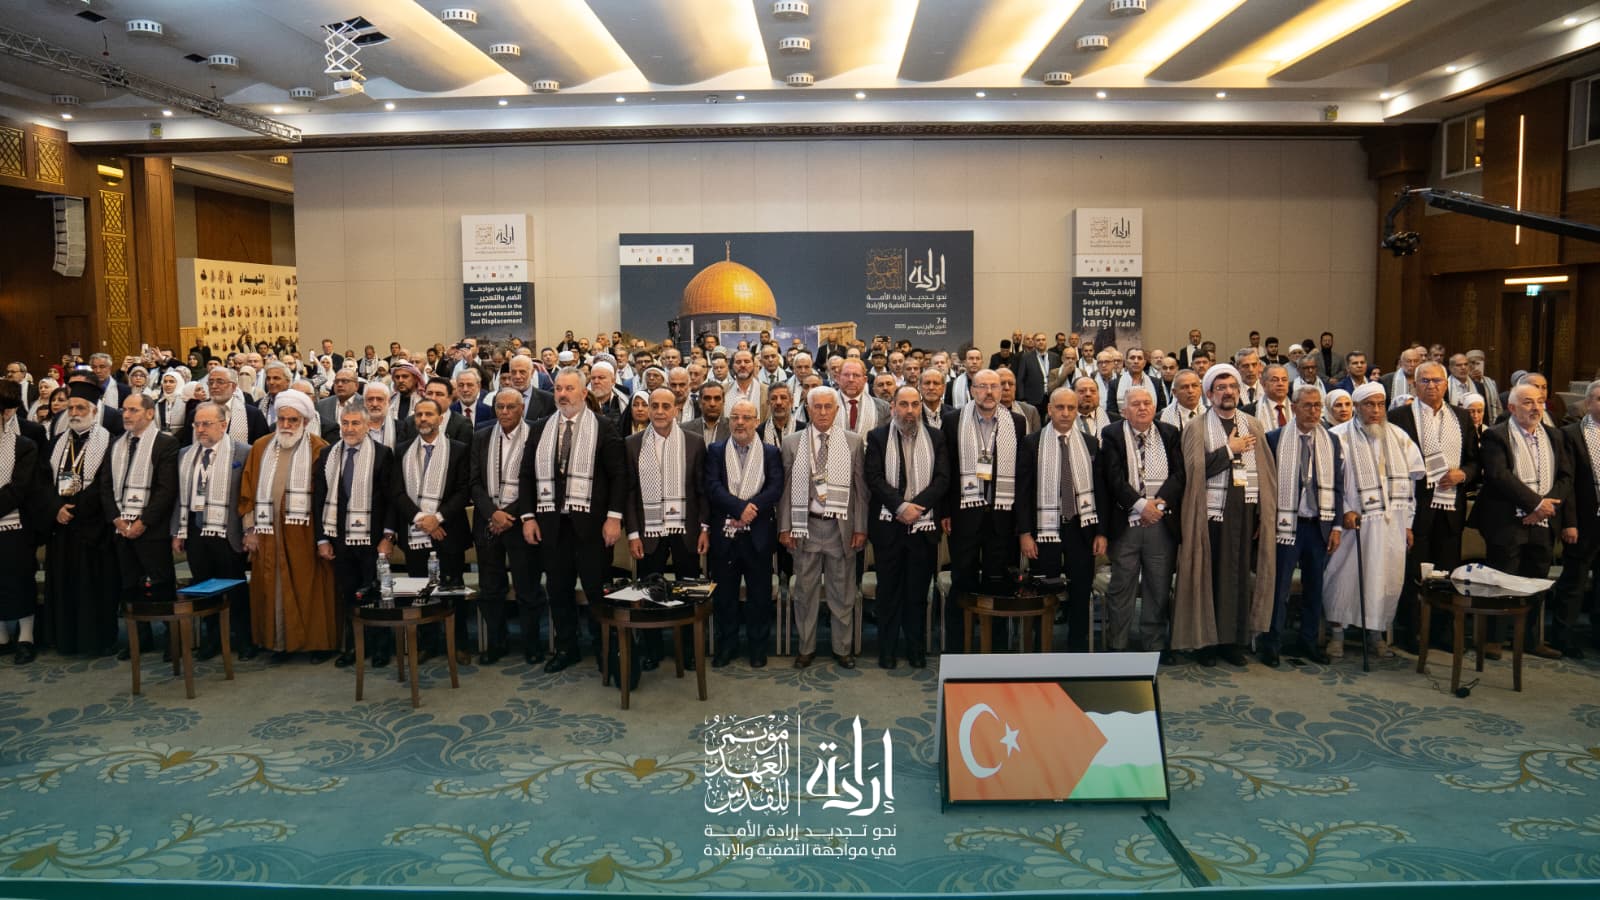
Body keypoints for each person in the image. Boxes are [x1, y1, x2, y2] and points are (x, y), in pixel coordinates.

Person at [518, 367, 626, 674]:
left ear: (583, 392)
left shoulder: (604, 426)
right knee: (558, 590)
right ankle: (567, 647)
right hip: (552, 525)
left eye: (569, 389)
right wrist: (528, 517)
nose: (562, 395)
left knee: (596, 591)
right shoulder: (541, 427)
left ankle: (605, 649)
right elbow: (526, 474)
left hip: (592, 526)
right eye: (558, 389)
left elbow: (619, 476)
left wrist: (614, 518)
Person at [1175, 364, 1278, 667]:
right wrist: (1229, 450)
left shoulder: (1253, 425)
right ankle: (1206, 644)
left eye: (1232, 387)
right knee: (1209, 578)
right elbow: (1193, 472)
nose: (1228, 392)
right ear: (1209, 394)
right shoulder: (1196, 427)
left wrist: (1260, 515)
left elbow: (1264, 473)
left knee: (1238, 578)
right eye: (1220, 388)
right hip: (1209, 516)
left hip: (1244, 513)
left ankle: (1233, 642)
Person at [1471, 382, 1569, 660]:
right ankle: (1494, 639)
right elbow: (1499, 475)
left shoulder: (1555, 435)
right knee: (1503, 581)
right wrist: (1535, 504)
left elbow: (1566, 476)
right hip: (1507, 522)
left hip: (1544, 522)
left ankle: (1529, 639)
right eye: (1528, 402)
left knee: (1535, 582)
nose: (1536, 407)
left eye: (1539, 401)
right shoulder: (1496, 435)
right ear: (1512, 407)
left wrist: (1545, 507)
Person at [239, 389, 338, 662]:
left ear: (305, 421)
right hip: (267, 534)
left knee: (311, 588)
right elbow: (247, 490)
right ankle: (279, 643)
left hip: (305, 533)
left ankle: (317, 645)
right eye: (282, 419)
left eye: (293, 420)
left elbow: (328, 495)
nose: (286, 425)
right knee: (272, 588)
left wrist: (324, 537)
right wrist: (250, 530)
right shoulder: (261, 447)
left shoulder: (319, 448)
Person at [1387, 361, 1478, 651]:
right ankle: (1412, 632)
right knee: (1414, 573)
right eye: (1424, 381)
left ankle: (1442, 632)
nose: (1431, 386)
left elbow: (1475, 461)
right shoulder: (1399, 416)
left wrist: (1462, 475)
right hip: (1415, 508)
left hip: (1450, 510)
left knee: (1447, 573)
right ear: (1414, 384)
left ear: (1446, 384)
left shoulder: (1461, 417)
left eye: (1437, 380)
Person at [779, 386, 867, 668]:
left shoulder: (853, 442)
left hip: (840, 529)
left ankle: (842, 649)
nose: (823, 412)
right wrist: (785, 527)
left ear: (837, 409)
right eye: (817, 406)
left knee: (842, 592)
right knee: (805, 593)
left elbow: (861, 491)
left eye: (828, 406)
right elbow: (785, 490)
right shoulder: (792, 442)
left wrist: (860, 528)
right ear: (808, 409)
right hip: (805, 527)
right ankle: (806, 648)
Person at [623, 387, 710, 670]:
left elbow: (701, 491)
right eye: (655, 406)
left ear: (676, 410)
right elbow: (629, 494)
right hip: (648, 532)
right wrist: (632, 533)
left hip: (686, 529)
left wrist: (705, 528)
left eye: (665, 406)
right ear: (648, 409)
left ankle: (689, 651)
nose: (660, 411)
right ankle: (653, 651)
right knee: (650, 593)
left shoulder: (694, 442)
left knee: (689, 592)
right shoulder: (632, 444)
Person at [1096, 383, 1185, 655]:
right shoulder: (1111, 434)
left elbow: (1179, 475)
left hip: (1161, 524)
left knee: (1158, 587)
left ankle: (1153, 644)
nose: (1142, 408)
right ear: (1124, 411)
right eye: (1135, 404)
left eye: (1147, 403)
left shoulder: (1169, 433)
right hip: (1126, 524)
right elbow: (1113, 478)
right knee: (1122, 586)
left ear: (1155, 408)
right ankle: (1118, 643)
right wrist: (1141, 505)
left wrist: (1158, 505)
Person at [1017, 387, 1108, 652]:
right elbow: (1022, 493)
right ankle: (1040, 648)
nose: (1066, 413)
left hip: (1082, 529)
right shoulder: (1032, 443)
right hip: (1044, 530)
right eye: (1060, 407)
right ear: (1050, 410)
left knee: (1080, 590)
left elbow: (1101, 491)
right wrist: (1024, 533)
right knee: (1044, 592)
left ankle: (1076, 648)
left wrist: (1101, 532)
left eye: (1071, 408)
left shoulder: (1090, 443)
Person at [941, 369, 1026, 650]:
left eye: (995, 386)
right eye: (982, 386)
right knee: (962, 581)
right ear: (972, 390)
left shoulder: (1017, 422)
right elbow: (945, 470)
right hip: (964, 515)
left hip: (1002, 516)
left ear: (1002, 390)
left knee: (998, 583)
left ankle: (996, 647)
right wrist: (945, 511)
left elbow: (1021, 475)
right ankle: (957, 647)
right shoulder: (952, 421)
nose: (989, 392)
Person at [864, 386, 949, 668]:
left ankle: (915, 649)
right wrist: (901, 507)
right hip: (889, 527)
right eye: (904, 404)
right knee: (888, 593)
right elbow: (874, 478)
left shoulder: (936, 437)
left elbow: (942, 478)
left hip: (923, 530)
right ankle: (887, 651)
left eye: (915, 404)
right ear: (892, 408)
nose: (910, 410)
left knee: (917, 593)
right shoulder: (877, 437)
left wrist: (917, 507)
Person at [1262, 383, 1344, 666]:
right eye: (1307, 405)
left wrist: (1337, 527)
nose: (1313, 411)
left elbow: (1338, 486)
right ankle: (1271, 644)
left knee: (1314, 588)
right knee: (1280, 588)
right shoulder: (1274, 439)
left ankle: (1308, 642)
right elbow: (1266, 485)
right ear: (1294, 407)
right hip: (1286, 525)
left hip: (1319, 526)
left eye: (1317, 405)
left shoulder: (1331, 440)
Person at [391, 397, 473, 664]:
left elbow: (463, 490)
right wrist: (421, 519)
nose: (423, 419)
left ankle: (458, 643)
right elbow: (397, 491)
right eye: (419, 415)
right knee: (421, 592)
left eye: (428, 414)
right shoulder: (402, 450)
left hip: (448, 532)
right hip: (415, 532)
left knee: (452, 591)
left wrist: (437, 519)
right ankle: (428, 643)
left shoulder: (458, 449)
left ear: (441, 418)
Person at [172, 400, 255, 661]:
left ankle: (244, 639)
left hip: (228, 533)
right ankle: (213, 639)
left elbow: (249, 496)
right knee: (203, 587)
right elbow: (180, 496)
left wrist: (249, 530)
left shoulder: (243, 452)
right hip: (196, 531)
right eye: (196, 424)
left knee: (235, 589)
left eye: (206, 424)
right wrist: (178, 531)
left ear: (223, 424)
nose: (200, 430)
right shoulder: (186, 454)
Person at [706, 398, 785, 668]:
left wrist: (752, 509)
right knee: (725, 597)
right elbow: (712, 486)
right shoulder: (715, 450)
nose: (740, 423)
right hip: (725, 536)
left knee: (759, 597)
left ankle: (757, 648)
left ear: (756, 421)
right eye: (735, 417)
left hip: (758, 536)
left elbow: (775, 488)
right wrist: (740, 508)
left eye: (746, 418)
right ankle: (727, 646)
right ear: (729, 421)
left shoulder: (771, 452)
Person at [470, 388, 545, 666]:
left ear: (522, 408)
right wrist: (493, 513)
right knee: (491, 589)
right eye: (499, 406)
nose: (504, 412)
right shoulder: (481, 436)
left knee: (527, 588)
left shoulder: (536, 435)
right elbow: (473, 482)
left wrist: (508, 515)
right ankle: (496, 643)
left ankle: (532, 644)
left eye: (510, 407)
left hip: (522, 521)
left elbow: (539, 481)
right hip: (488, 522)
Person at [103, 393, 181, 659]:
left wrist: (143, 522)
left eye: (133, 410)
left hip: (152, 530)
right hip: (121, 529)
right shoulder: (116, 443)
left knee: (161, 586)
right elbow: (105, 485)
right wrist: (116, 518)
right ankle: (140, 638)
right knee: (129, 586)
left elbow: (166, 489)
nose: (126, 415)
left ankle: (172, 640)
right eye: (124, 410)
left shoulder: (165, 443)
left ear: (149, 413)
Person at [1555, 380, 1600, 658]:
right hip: (1583, 520)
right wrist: (1569, 522)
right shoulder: (1571, 434)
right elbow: (1567, 484)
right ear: (1588, 402)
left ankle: (1597, 635)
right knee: (1574, 581)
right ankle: (1563, 637)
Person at [0, 386, 40, 663]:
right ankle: (1, 636)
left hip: (16, 526)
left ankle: (26, 637)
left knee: (18, 579)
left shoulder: (23, 445)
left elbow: (20, 488)